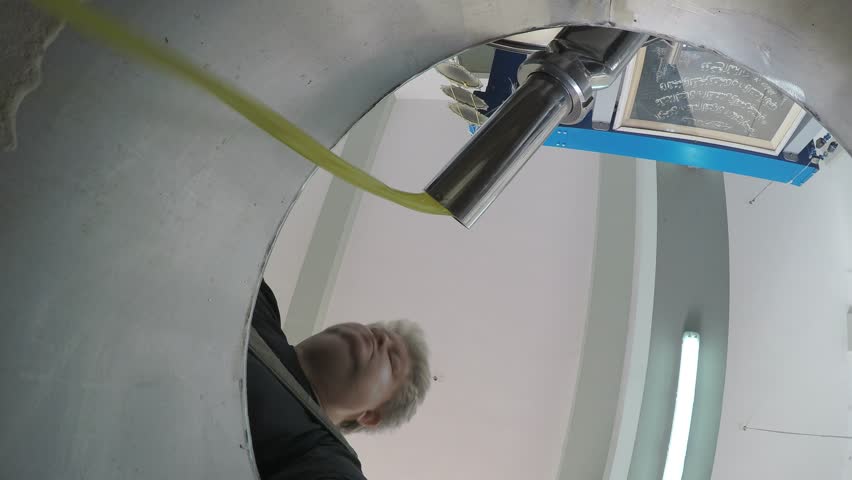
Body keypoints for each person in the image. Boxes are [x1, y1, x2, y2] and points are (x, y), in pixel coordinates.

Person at [247, 280, 431, 479]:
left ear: (369, 415)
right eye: (374, 331)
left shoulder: (326, 460)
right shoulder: (260, 301)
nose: (381, 338)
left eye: (392, 360)